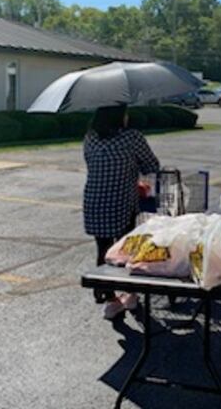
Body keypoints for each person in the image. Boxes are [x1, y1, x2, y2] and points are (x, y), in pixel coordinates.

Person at [83, 104, 160, 320]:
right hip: (120, 201)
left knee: (103, 249)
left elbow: (91, 163)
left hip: (94, 201)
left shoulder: (90, 138)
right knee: (126, 249)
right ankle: (130, 294)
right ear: (118, 117)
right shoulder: (130, 137)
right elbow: (151, 165)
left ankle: (108, 299)